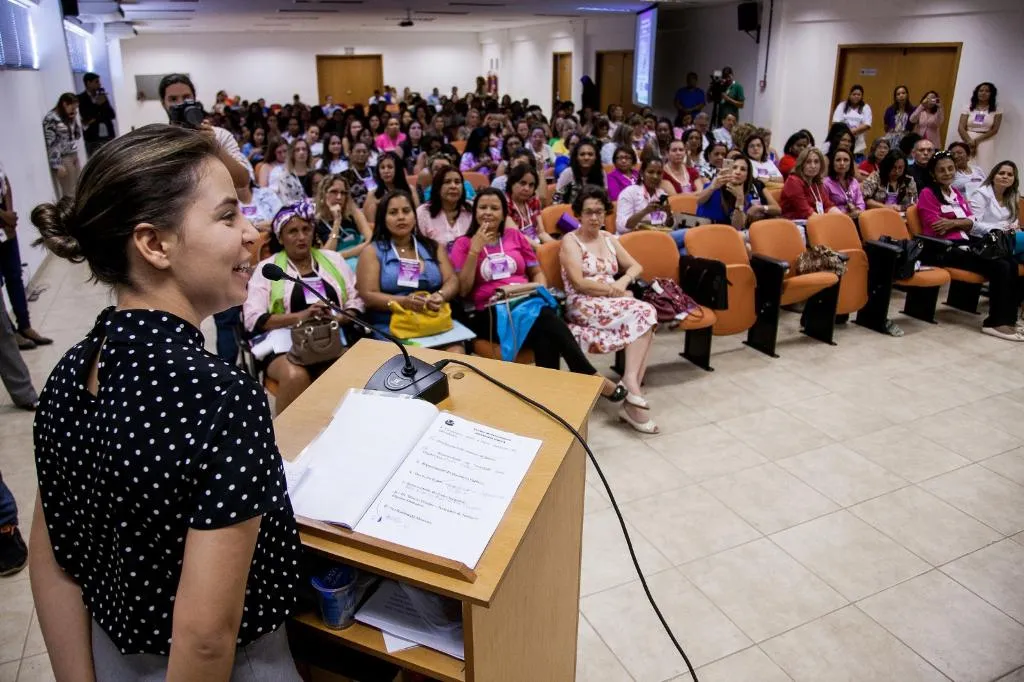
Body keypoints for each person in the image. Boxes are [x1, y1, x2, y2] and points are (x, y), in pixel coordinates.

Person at [28, 124, 303, 679]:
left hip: (110, 658)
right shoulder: (221, 399)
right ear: (155, 244)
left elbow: (53, 558)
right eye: (228, 216)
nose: (251, 233)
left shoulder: (67, 374)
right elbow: (205, 639)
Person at [451, 189, 627, 398]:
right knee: (545, 319)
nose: (488, 213)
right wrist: (474, 250)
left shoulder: (515, 236)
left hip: (527, 301)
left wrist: (539, 289)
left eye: (495, 208)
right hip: (490, 313)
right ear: (475, 212)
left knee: (545, 330)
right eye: (483, 207)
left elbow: (536, 272)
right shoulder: (463, 243)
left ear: (504, 213)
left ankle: (548, 398)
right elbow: (463, 290)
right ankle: (587, 373)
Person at [244, 199, 364, 413]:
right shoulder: (268, 269)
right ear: (280, 237)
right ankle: (285, 441)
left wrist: (338, 318)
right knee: (295, 375)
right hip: (284, 344)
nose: (301, 237)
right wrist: (301, 316)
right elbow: (254, 318)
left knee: (348, 368)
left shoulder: (333, 260)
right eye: (292, 231)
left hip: (331, 338)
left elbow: (355, 300)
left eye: (306, 229)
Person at [561, 187, 658, 433]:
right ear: (579, 215)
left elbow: (636, 266)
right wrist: (613, 291)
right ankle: (633, 391)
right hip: (583, 302)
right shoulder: (570, 241)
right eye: (589, 212)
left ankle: (631, 385)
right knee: (645, 314)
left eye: (599, 212)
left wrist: (622, 282)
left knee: (645, 316)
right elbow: (578, 282)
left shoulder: (609, 238)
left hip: (611, 300)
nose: (594, 218)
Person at [918, 152, 1021, 341]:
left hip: (967, 243)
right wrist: (961, 222)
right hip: (943, 248)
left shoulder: (955, 193)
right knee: (1000, 266)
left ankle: (1009, 319)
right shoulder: (928, 193)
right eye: (941, 170)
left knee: (1010, 262)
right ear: (933, 174)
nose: (947, 173)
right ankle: (995, 323)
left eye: (950, 169)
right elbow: (936, 226)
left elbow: (971, 221)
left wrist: (955, 223)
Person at [356, 189, 462, 349]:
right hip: (392, 325)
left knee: (457, 352)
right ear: (383, 218)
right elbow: (368, 295)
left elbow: (451, 280)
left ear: (414, 215)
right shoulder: (371, 251)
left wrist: (440, 295)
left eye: (406, 211)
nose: (401, 217)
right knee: (414, 362)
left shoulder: (432, 246)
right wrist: (404, 302)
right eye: (393, 212)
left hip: (434, 321)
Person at [158, 74, 252, 189]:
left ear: (194, 99)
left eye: (186, 97)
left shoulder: (220, 136)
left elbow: (242, 181)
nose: (180, 103)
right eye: (173, 99)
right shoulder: (158, 143)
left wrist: (214, 146)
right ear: (163, 104)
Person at [0, 162, 52, 349]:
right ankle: (10, 333)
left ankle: (25, 326)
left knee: (14, 276)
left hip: (5, 227)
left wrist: (9, 216)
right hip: (3, 221)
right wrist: (5, 217)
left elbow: (4, 182)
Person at [696, 156, 780, 231]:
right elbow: (699, 201)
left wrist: (740, 200)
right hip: (703, 231)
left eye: (743, 169)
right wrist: (712, 187)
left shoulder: (745, 196)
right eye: (734, 167)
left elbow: (738, 227)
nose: (738, 172)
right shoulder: (712, 186)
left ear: (747, 176)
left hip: (727, 236)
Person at [315, 174, 373, 271]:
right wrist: (337, 221)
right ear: (323, 194)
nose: (339, 197)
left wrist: (341, 255)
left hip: (362, 257)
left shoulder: (354, 213)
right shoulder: (316, 223)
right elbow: (326, 256)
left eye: (343, 193)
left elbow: (371, 241)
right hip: (336, 267)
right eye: (333, 192)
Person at [417, 167, 473, 251]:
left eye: (457, 182)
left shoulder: (472, 208)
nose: (453, 186)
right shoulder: (423, 212)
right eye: (447, 182)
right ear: (437, 187)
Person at [616, 156, 674, 235]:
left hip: (655, 236)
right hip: (631, 239)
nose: (655, 176)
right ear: (642, 173)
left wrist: (668, 214)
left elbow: (661, 224)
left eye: (659, 173)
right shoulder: (629, 192)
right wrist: (645, 211)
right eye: (651, 172)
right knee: (686, 234)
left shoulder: (661, 194)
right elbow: (622, 227)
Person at [780, 147, 841, 221]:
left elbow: (827, 205)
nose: (813, 166)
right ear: (801, 164)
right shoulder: (793, 181)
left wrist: (842, 218)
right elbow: (805, 211)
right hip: (795, 224)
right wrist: (826, 222)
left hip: (814, 220)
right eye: (808, 162)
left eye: (816, 162)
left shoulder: (816, 181)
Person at [42, 93, 83, 198]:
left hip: (74, 154)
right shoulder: (51, 118)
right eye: (73, 107)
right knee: (69, 190)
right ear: (65, 104)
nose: (74, 110)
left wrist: (73, 119)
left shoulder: (68, 117)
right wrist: (57, 164)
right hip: (64, 158)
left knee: (79, 186)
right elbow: (51, 143)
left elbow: (77, 135)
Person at [363, 151, 419, 223]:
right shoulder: (372, 194)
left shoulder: (411, 190)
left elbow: (417, 217)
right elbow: (370, 224)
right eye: (382, 168)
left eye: (390, 167)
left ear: (397, 169)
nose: (386, 171)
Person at [504, 163, 552, 245]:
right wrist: (542, 250)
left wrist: (557, 246)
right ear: (512, 183)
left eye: (531, 185)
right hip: (516, 248)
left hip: (536, 246)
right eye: (522, 183)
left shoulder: (533, 202)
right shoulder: (504, 205)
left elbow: (541, 233)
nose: (527, 188)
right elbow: (518, 237)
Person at [958, 82, 1002, 171]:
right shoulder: (967, 107)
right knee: (964, 164)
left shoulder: (997, 109)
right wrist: (970, 142)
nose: (983, 93)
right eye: (981, 90)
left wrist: (977, 141)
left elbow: (995, 129)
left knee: (983, 166)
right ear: (976, 92)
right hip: (967, 139)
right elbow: (961, 127)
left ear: (991, 94)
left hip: (986, 140)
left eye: (987, 91)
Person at [553, 139, 604, 206]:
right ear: (576, 157)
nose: (586, 157)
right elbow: (557, 200)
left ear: (596, 158)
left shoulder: (601, 173)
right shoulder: (568, 173)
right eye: (582, 154)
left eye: (590, 154)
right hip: (569, 213)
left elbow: (604, 199)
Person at [77, 72, 116, 157]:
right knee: (95, 162)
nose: (99, 84)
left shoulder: (102, 96)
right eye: (96, 82)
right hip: (92, 138)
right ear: (88, 83)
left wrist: (103, 103)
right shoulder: (81, 98)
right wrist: (97, 106)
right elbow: (86, 117)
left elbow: (112, 115)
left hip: (108, 136)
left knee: (111, 160)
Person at [823, 148, 866, 220]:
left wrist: (858, 211)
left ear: (850, 164)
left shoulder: (854, 181)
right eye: (838, 160)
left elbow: (861, 203)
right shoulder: (826, 183)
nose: (842, 163)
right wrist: (846, 215)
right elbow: (826, 207)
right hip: (837, 220)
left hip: (857, 216)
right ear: (832, 163)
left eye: (846, 160)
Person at [831, 85, 872, 157]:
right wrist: (847, 132)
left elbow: (867, 124)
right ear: (850, 95)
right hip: (842, 139)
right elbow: (836, 122)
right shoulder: (842, 105)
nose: (856, 96)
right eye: (854, 94)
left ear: (862, 96)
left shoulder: (865, 107)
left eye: (859, 95)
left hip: (858, 142)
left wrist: (853, 131)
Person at [270, 139, 313, 204]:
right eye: (297, 150)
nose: (301, 152)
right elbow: (286, 201)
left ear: (308, 152)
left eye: (304, 149)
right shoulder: (284, 177)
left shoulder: (314, 174)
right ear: (292, 153)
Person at [341, 141, 376, 209]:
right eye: (358, 151)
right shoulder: (344, 176)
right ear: (350, 153)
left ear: (369, 154)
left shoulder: (376, 171)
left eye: (364, 151)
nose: (361, 154)